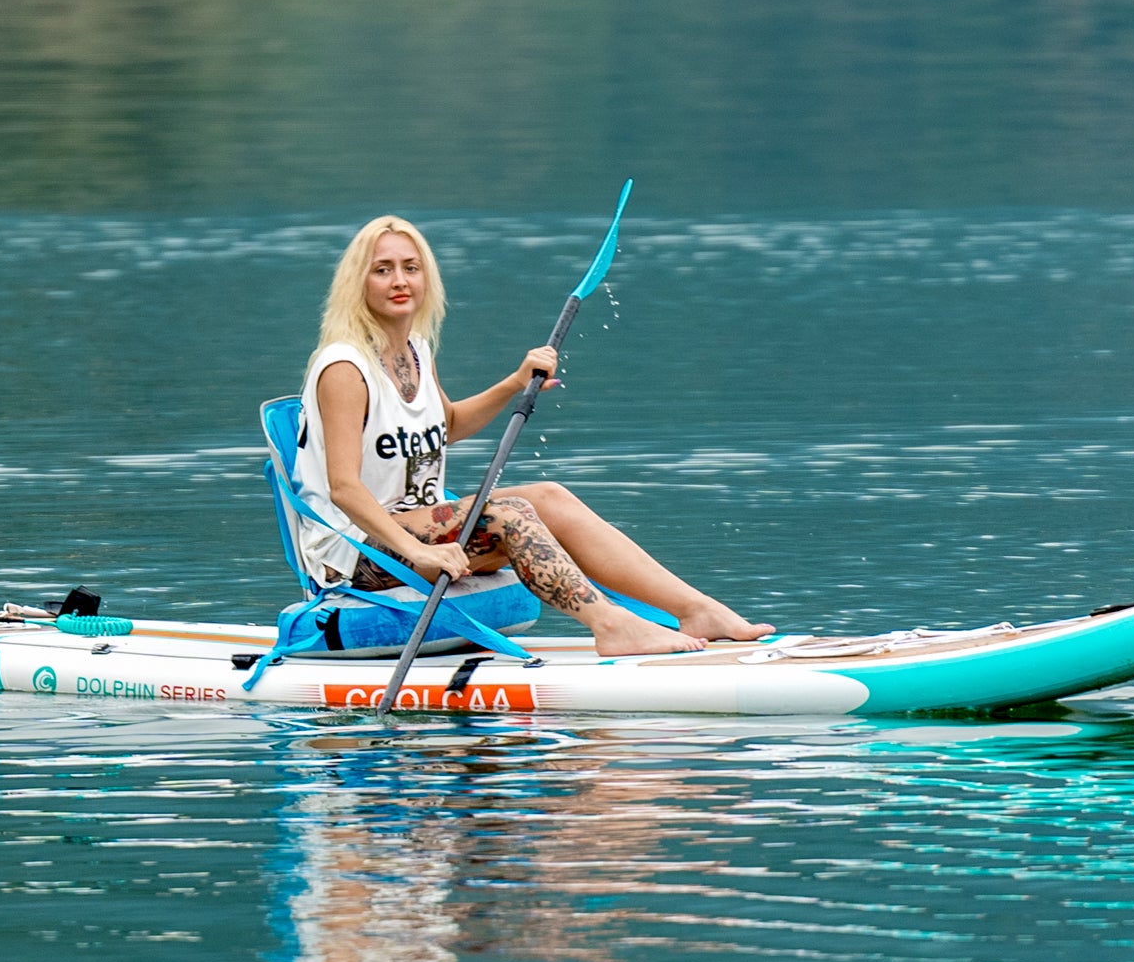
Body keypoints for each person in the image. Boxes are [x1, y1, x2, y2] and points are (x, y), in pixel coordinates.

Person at [290, 215, 775, 656]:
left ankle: (696, 609)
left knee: (550, 496)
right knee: (510, 513)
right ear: (358, 283)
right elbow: (344, 489)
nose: (400, 281)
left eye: (411, 268)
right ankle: (610, 624)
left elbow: (448, 427)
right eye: (383, 270)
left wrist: (515, 381)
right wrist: (419, 551)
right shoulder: (345, 367)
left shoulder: (415, 349)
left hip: (413, 526)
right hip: (353, 550)